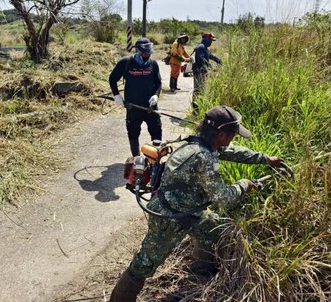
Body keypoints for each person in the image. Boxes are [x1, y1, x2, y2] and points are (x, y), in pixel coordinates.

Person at [110, 105, 285, 301]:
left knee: (219, 230)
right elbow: (224, 198)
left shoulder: (198, 143)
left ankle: (200, 273)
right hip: (169, 217)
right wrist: (243, 184)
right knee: (143, 264)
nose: (233, 140)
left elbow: (233, 152)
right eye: (233, 135)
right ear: (221, 134)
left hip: (188, 212)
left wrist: (265, 159)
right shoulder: (203, 157)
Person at [109, 37, 162, 157]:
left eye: (149, 53)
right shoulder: (126, 62)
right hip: (133, 106)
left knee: (156, 131)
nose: (147, 55)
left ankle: (155, 159)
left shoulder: (153, 64)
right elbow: (112, 79)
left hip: (150, 107)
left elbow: (158, 82)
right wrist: (116, 95)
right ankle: (136, 157)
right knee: (133, 133)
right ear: (138, 51)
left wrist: (156, 95)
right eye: (145, 53)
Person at [192, 32, 222, 110]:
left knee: (202, 90)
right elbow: (202, 59)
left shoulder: (205, 48)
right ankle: (196, 109)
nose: (211, 42)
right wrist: (210, 66)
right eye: (210, 40)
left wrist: (219, 61)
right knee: (198, 90)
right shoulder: (200, 47)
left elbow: (211, 56)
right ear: (205, 39)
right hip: (199, 72)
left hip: (203, 72)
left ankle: (199, 107)